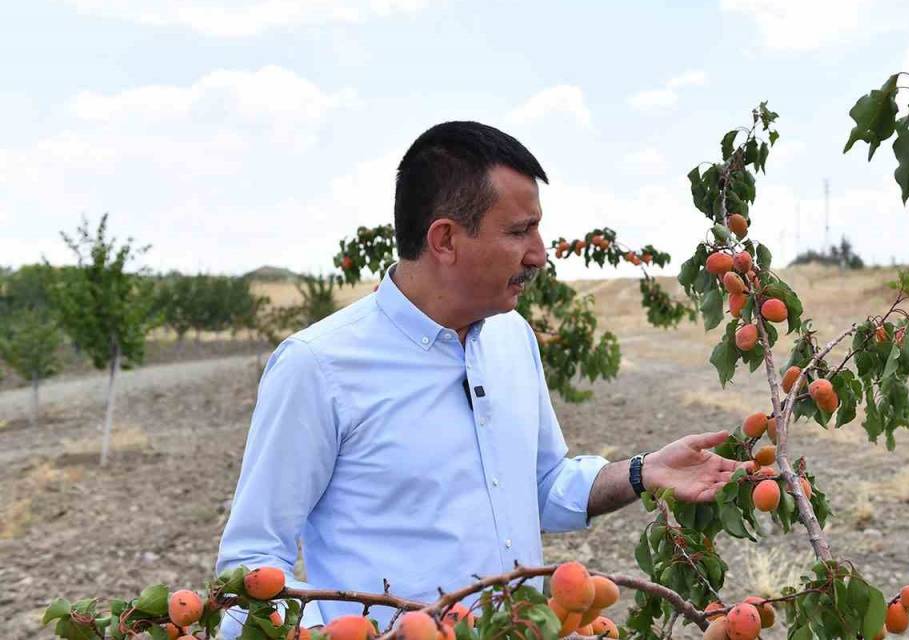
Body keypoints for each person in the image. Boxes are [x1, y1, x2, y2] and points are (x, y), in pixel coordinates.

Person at [216, 121, 748, 636]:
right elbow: (250, 567)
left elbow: (540, 484)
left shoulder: (511, 337)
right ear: (445, 239)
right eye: (520, 231)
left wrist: (640, 473)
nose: (539, 254)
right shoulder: (319, 366)